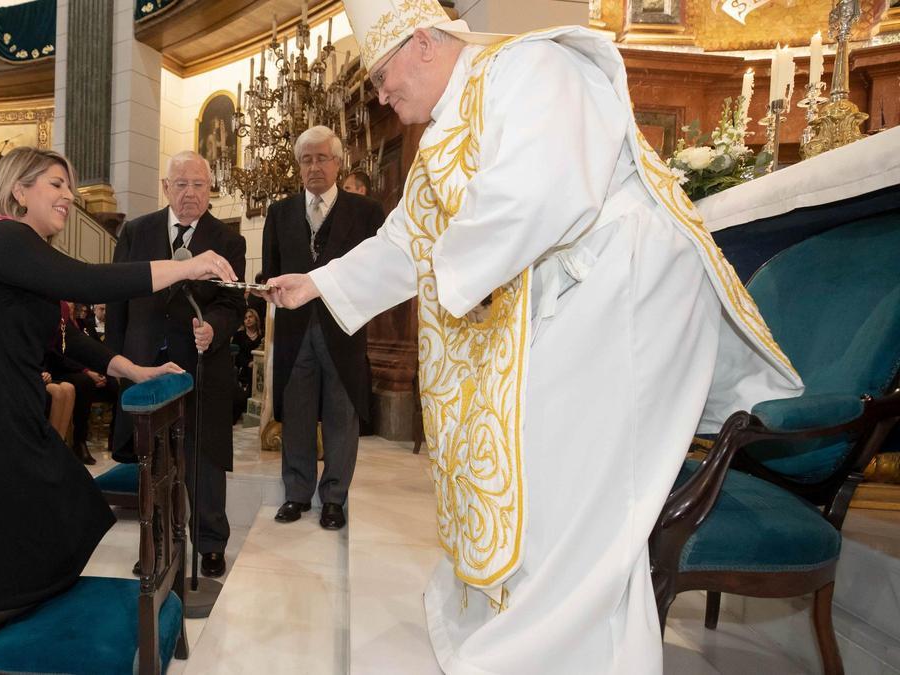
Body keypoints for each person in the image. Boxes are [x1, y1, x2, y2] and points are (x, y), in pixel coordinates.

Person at [262, 2, 803, 672]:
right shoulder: (444, 135)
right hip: (577, 298)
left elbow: (543, 191)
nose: (380, 93)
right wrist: (320, 284)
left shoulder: (529, 66)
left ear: (423, 43)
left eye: (380, 75)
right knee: (541, 477)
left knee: (585, 490)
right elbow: (408, 238)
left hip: (630, 289)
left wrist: (454, 274)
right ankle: (534, 637)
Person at [0, 147, 236, 675]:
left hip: (9, 411)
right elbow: (91, 281)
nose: (69, 196)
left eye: (69, 186)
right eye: (56, 184)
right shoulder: (4, 238)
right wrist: (186, 266)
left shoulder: (26, 253)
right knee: (22, 552)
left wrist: (133, 371)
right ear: (19, 191)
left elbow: (67, 342)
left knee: (63, 524)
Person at [107, 150, 247, 579]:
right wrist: (114, 359)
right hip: (144, 363)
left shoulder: (228, 241)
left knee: (202, 457)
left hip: (201, 367)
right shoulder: (136, 232)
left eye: (199, 185)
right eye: (181, 184)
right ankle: (160, 539)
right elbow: (117, 298)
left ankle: (209, 542)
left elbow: (233, 303)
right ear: (165, 188)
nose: (190, 193)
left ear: (210, 189)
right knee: (154, 459)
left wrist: (215, 329)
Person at [263, 125, 384, 531]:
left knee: (339, 415)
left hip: (343, 331)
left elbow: (375, 273)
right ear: (299, 166)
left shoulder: (367, 213)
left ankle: (334, 498)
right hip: (295, 332)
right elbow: (272, 269)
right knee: (296, 414)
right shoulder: (279, 214)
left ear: (338, 162)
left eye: (322, 158)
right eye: (306, 159)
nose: (314, 166)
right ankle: (296, 495)